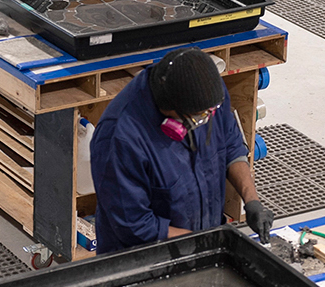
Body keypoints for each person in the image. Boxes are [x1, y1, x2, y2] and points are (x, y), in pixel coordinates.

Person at [89, 47, 275, 254]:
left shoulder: (207, 92)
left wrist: (252, 200)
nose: (208, 118)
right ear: (170, 112)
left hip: (203, 241)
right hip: (144, 257)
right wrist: (205, 242)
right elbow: (133, 225)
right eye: (199, 117)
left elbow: (231, 145)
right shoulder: (120, 138)